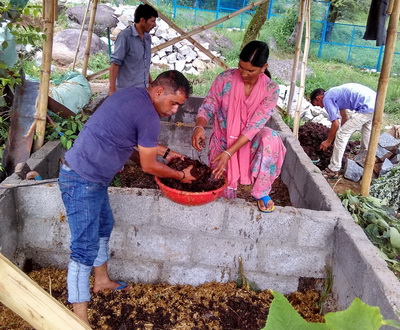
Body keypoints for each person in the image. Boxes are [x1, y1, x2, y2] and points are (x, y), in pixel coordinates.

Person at [58, 70, 196, 325]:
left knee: (104, 226)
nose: (175, 110)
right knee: (83, 248)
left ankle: (101, 280)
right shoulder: (148, 116)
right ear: (158, 92)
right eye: (174, 102)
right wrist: (180, 176)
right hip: (82, 179)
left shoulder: (133, 96)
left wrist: (167, 152)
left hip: (92, 177)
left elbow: (127, 137)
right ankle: (78, 320)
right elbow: (148, 165)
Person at [191, 40, 286, 213]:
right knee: (220, 190)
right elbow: (209, 105)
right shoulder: (225, 79)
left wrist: (230, 153)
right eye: (241, 67)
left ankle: (261, 191)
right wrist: (200, 126)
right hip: (223, 140)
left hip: (249, 143)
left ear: (264, 67)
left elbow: (254, 126)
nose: (244, 73)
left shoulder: (271, 89)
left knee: (271, 138)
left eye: (250, 70)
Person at [310, 83, 376, 178]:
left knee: (342, 134)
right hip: (375, 102)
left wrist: (329, 141)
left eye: (318, 105)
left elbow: (336, 124)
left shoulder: (327, 99)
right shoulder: (335, 93)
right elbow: (344, 117)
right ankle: (364, 153)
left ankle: (333, 169)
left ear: (319, 97)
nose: (321, 107)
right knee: (366, 128)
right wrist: (337, 139)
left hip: (367, 106)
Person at [109, 4, 158, 95]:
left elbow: (144, 64)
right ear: (142, 20)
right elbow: (115, 63)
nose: (155, 25)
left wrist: (151, 84)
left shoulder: (147, 38)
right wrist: (112, 89)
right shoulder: (125, 37)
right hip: (127, 91)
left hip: (143, 89)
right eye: (152, 21)